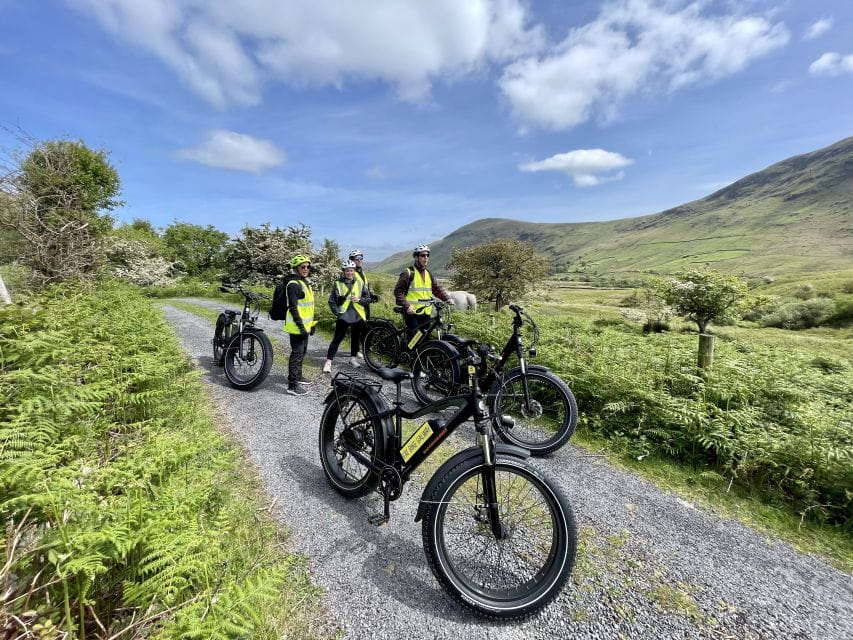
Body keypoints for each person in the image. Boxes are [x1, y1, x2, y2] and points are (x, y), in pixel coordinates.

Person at [393, 244, 453, 340]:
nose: (426, 258)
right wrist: (407, 305)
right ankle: (408, 354)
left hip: (426, 312)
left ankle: (421, 354)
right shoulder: (408, 273)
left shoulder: (428, 273)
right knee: (415, 338)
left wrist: (447, 298)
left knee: (425, 337)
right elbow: (398, 291)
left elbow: (437, 289)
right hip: (412, 313)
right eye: (422, 255)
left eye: (427, 255)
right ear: (416, 257)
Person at [323, 260, 371, 373]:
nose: (350, 273)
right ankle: (328, 362)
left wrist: (360, 300)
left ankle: (353, 359)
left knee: (355, 338)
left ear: (354, 271)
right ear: (343, 272)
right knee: (337, 339)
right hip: (344, 315)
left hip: (357, 315)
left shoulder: (360, 284)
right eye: (348, 271)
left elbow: (368, 299)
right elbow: (331, 301)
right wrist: (337, 313)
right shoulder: (338, 284)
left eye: (352, 270)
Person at [282, 254, 317, 395]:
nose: (306, 268)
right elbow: (293, 308)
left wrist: (312, 324)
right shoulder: (293, 285)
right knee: (297, 354)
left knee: (303, 352)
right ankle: (292, 385)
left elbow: (308, 307)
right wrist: (301, 327)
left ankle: (298, 376)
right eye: (303, 266)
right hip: (297, 327)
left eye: (308, 266)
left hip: (305, 326)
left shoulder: (304, 282)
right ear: (296, 268)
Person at [348, 249, 380, 320]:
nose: (359, 260)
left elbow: (365, 288)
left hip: (364, 305)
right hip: (356, 308)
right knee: (357, 329)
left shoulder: (362, 273)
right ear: (352, 260)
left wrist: (372, 295)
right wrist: (360, 300)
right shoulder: (350, 274)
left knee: (365, 327)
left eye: (361, 258)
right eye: (357, 258)